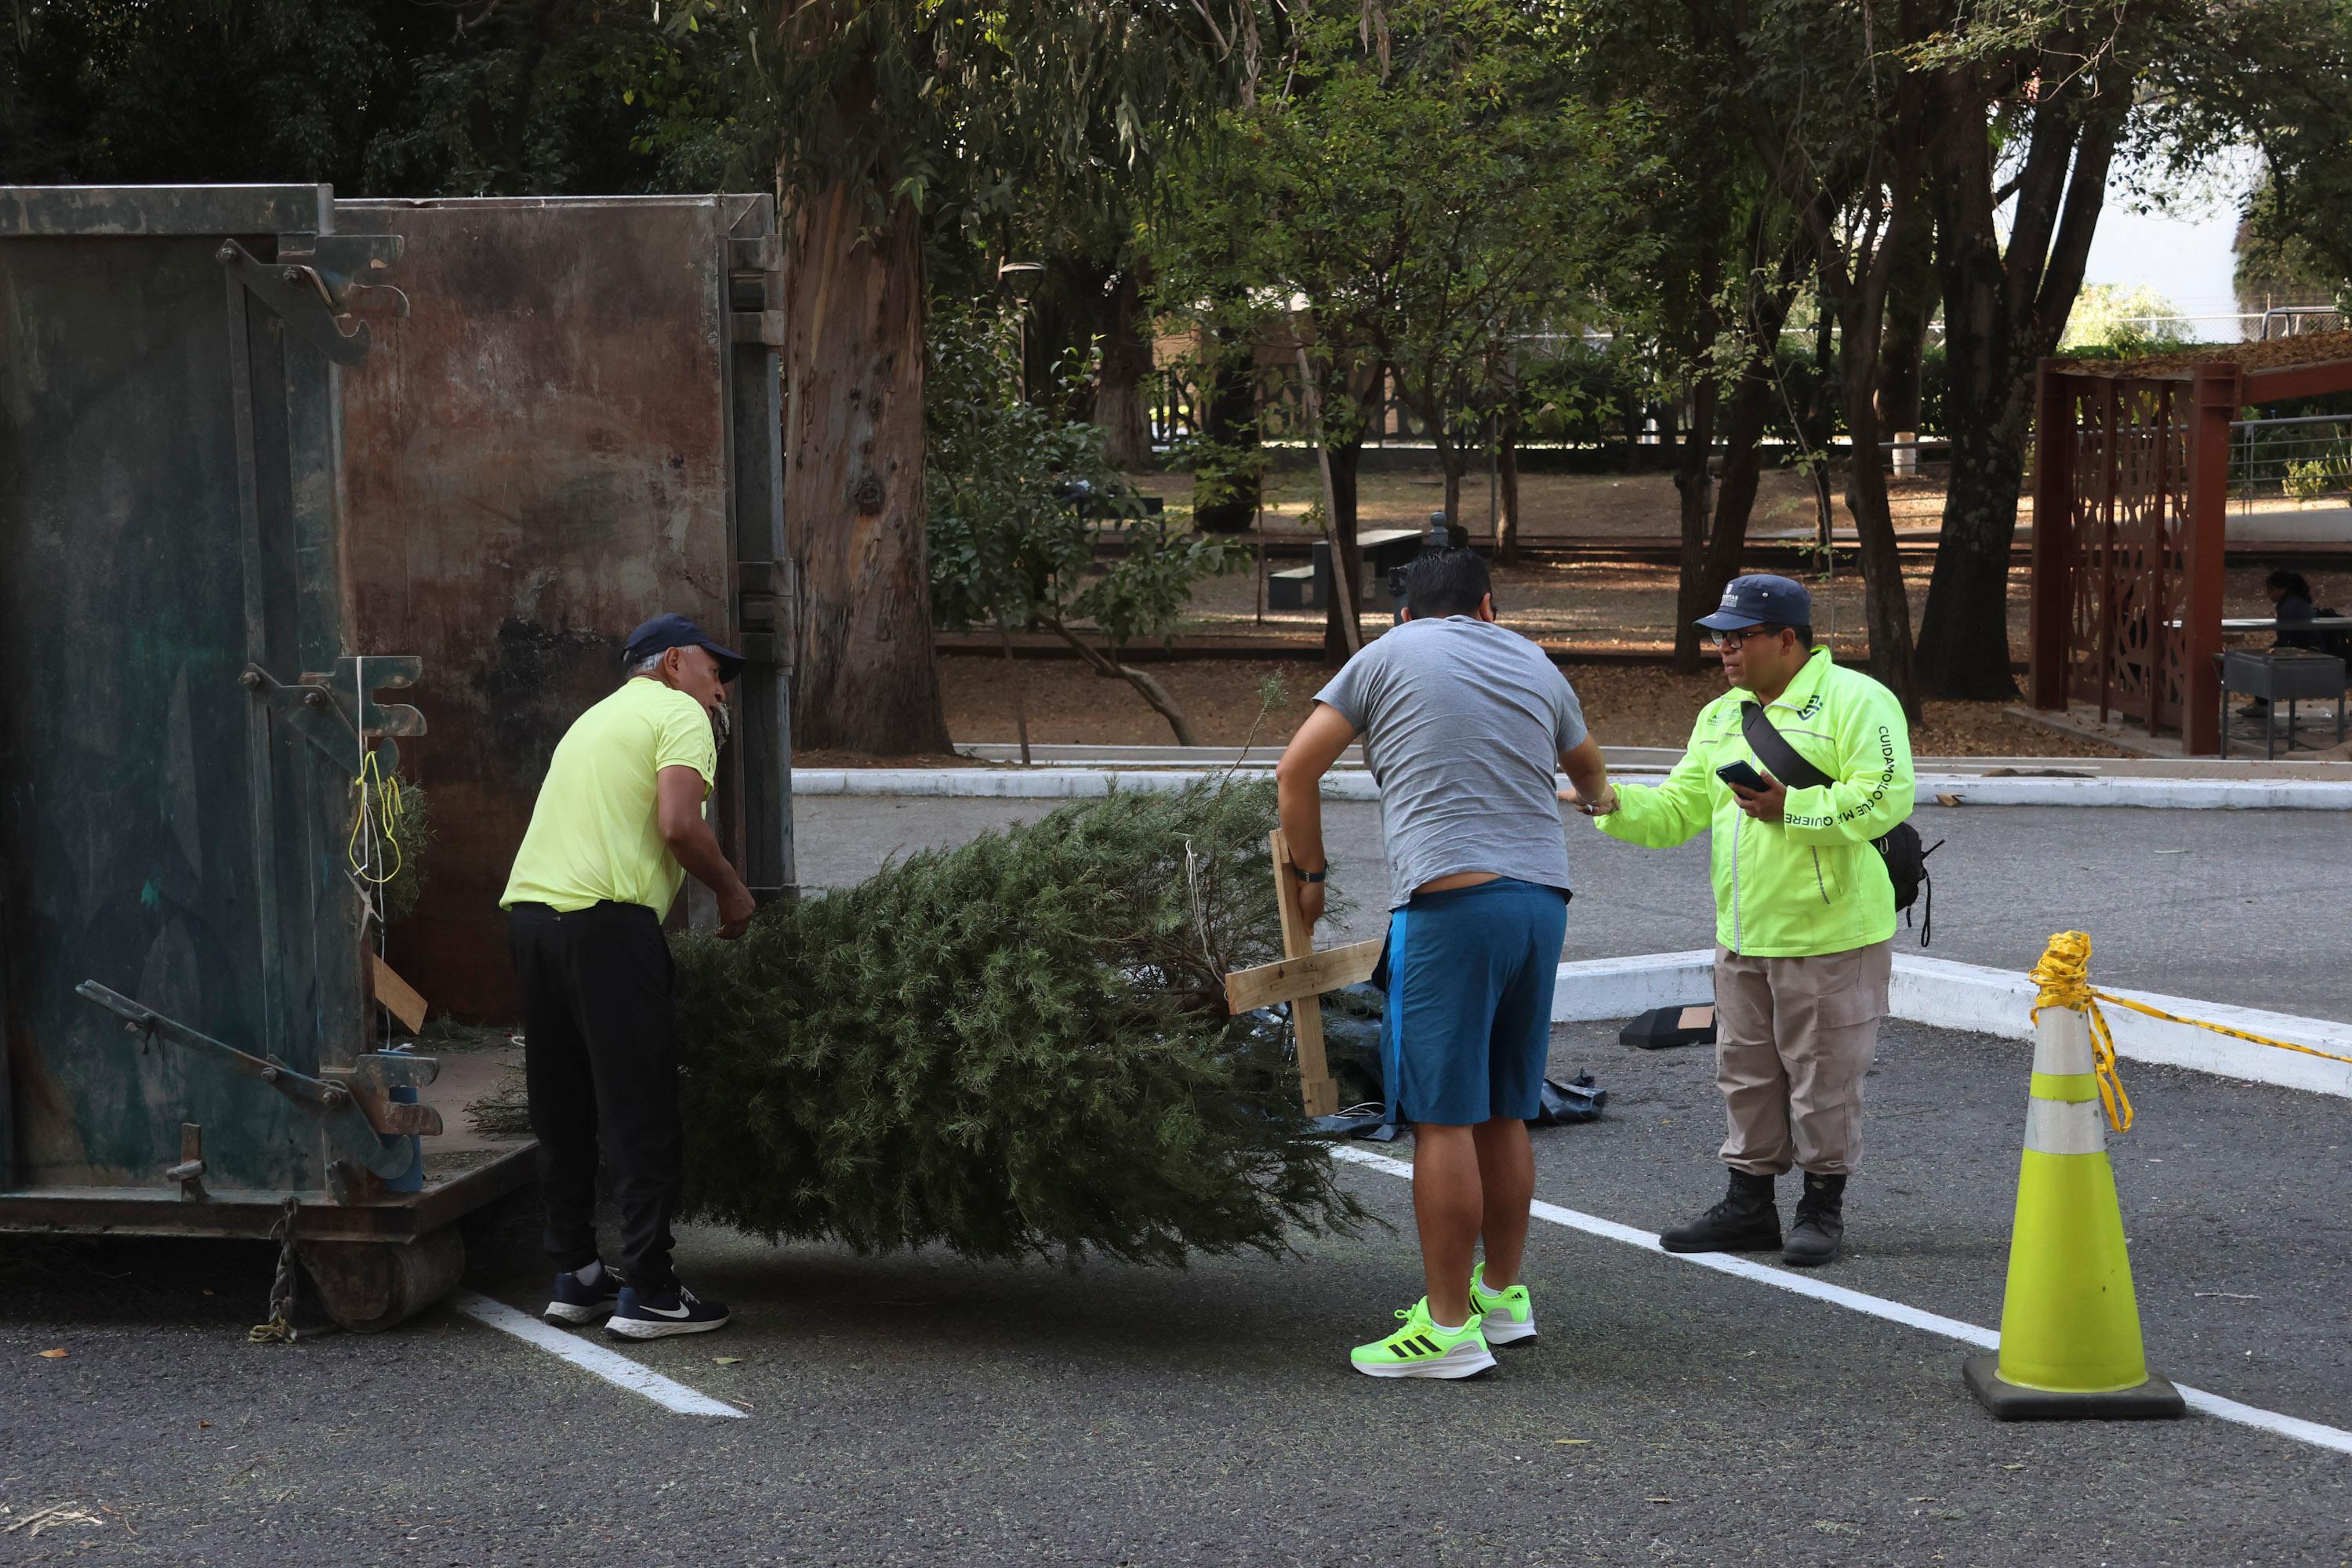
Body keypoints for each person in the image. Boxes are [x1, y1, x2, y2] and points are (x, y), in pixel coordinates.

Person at [1276, 547, 1615, 1379]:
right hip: (1541, 903)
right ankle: (1500, 1295)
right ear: (1490, 607)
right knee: (1504, 1105)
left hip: (1450, 903)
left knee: (1443, 1117)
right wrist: (1598, 800)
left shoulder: (1385, 654)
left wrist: (1312, 881)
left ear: (1404, 613)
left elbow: (1296, 769)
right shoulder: (1534, 661)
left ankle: (1447, 1327)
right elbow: (1592, 774)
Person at [1570, 574, 1913, 1267]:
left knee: (1824, 1078)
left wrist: (1793, 808)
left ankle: (1822, 1209)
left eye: (1739, 636)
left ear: (1788, 638)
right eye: (1719, 637)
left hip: (1831, 934)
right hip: (1744, 934)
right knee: (1746, 1075)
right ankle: (1749, 1205)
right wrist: (1609, 801)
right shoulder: (1722, 715)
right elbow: (1679, 811)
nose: (1724, 649)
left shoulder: (1857, 701)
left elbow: (1886, 796)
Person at [501, 613, 759, 1340]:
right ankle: (649, 1288)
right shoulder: (678, 712)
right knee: (639, 1105)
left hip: (530, 920)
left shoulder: (592, 720)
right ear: (674, 663)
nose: (720, 695)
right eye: (716, 674)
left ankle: (577, 1274)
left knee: (563, 1105)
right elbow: (679, 825)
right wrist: (734, 893)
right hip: (605, 929)